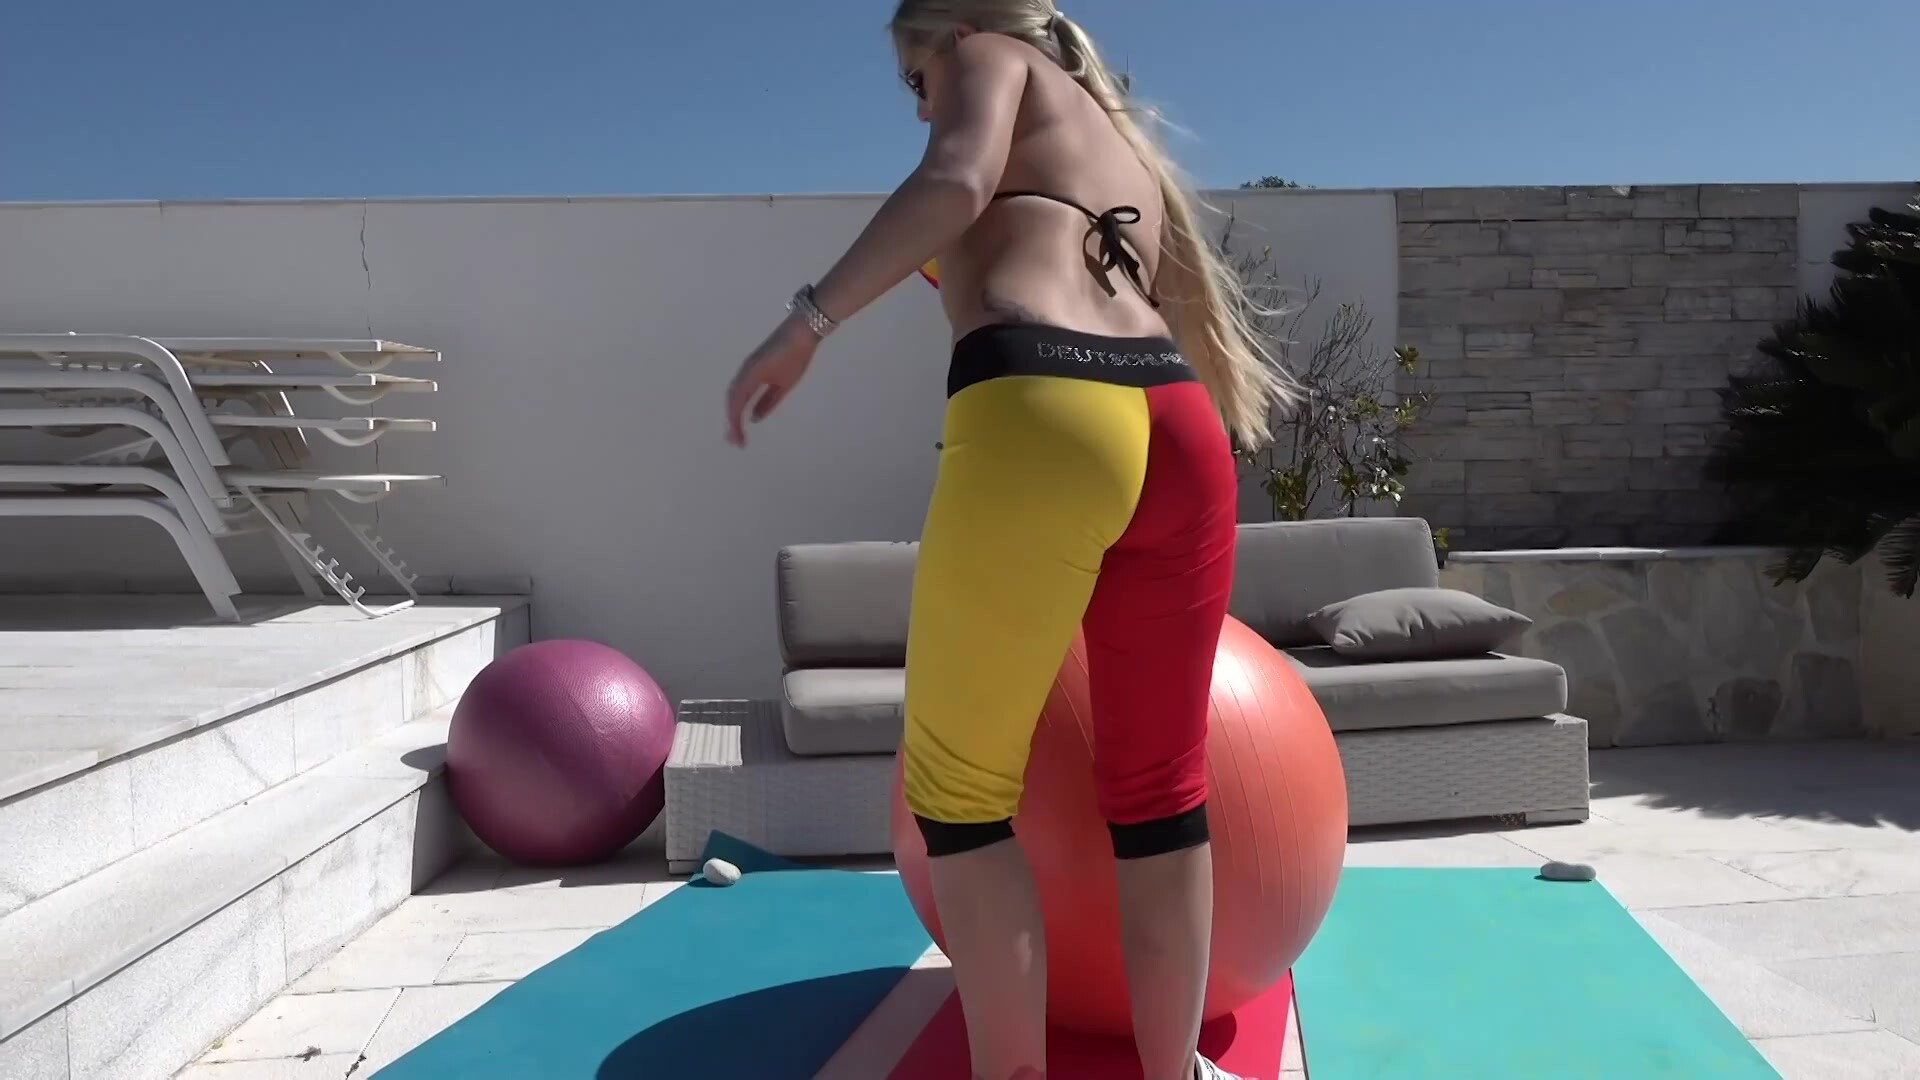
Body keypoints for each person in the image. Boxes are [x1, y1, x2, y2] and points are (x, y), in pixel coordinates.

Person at [724, 4, 1295, 1078]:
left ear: (957, 31)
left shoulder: (991, 56)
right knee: (1161, 797)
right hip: (1177, 431)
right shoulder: (1115, 144)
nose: (921, 101)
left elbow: (952, 183)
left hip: (1046, 411)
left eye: (915, 75)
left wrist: (805, 324)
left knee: (957, 796)